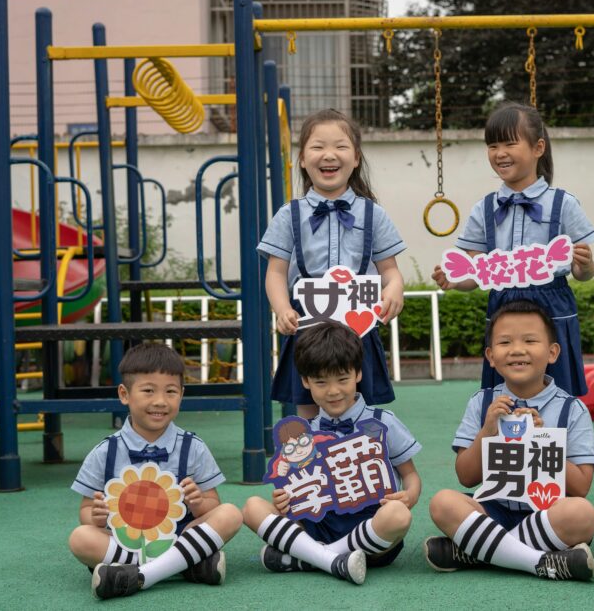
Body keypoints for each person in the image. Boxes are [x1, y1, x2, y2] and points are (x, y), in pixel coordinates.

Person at [432, 102, 594, 396]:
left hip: (553, 307)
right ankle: (507, 442)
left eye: (510, 143)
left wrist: (584, 266)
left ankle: (559, 442)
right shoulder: (483, 209)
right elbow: (475, 275)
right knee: (504, 397)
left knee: (559, 397)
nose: (500, 153)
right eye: (493, 145)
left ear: (538, 148)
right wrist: (455, 281)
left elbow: (584, 273)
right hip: (503, 308)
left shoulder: (564, 204)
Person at [425, 300, 594, 582]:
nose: (518, 350)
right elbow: (466, 477)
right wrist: (487, 432)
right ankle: (538, 561)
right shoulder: (482, 402)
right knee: (442, 502)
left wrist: (539, 440)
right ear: (491, 356)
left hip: (548, 513)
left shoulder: (572, 409)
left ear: (552, 352)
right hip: (493, 509)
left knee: (582, 514)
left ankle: (480, 550)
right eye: (505, 342)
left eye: (530, 340)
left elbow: (580, 487)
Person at [243, 321, 423, 585]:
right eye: (321, 382)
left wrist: (408, 496)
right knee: (251, 508)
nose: (334, 391)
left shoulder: (382, 422)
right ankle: (331, 560)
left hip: (373, 535)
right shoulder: (300, 435)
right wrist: (283, 500)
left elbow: (411, 476)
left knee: (399, 515)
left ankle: (312, 558)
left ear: (358, 373)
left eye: (342, 379)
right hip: (318, 527)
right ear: (305, 381)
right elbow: (292, 488)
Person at [259, 108, 406, 419]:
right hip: (308, 329)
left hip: (358, 328)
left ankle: (361, 463)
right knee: (308, 410)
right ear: (301, 159)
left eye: (340, 146)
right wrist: (282, 308)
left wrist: (394, 291)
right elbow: (275, 272)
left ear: (355, 158)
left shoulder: (373, 214)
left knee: (362, 411)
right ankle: (310, 465)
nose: (329, 155)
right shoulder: (289, 214)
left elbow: (390, 271)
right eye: (317, 147)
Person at [68, 343, 244, 599]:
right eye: (148, 391)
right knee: (80, 538)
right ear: (124, 394)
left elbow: (213, 505)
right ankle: (187, 566)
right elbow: (85, 511)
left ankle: (136, 575)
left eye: (171, 391)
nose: (160, 401)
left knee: (230, 514)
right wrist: (94, 517)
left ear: (181, 395)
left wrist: (197, 503)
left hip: (180, 536)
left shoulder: (193, 447)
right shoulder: (105, 452)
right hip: (127, 542)